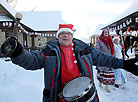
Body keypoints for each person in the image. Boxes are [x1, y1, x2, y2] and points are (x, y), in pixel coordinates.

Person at [0, 24, 138, 102]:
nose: (65, 36)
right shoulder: (49, 51)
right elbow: (31, 61)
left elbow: (104, 58)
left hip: (86, 97)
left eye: (68, 33)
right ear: (58, 36)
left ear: (72, 36)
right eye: (62, 34)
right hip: (58, 98)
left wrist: (124, 64)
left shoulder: (84, 49)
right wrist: (18, 52)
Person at [95, 29, 115, 93]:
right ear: (103, 33)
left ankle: (106, 85)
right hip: (102, 58)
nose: (106, 33)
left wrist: (113, 57)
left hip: (109, 58)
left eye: (107, 32)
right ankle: (101, 81)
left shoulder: (110, 39)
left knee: (108, 72)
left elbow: (113, 48)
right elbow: (96, 49)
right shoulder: (99, 40)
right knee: (102, 72)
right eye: (105, 32)